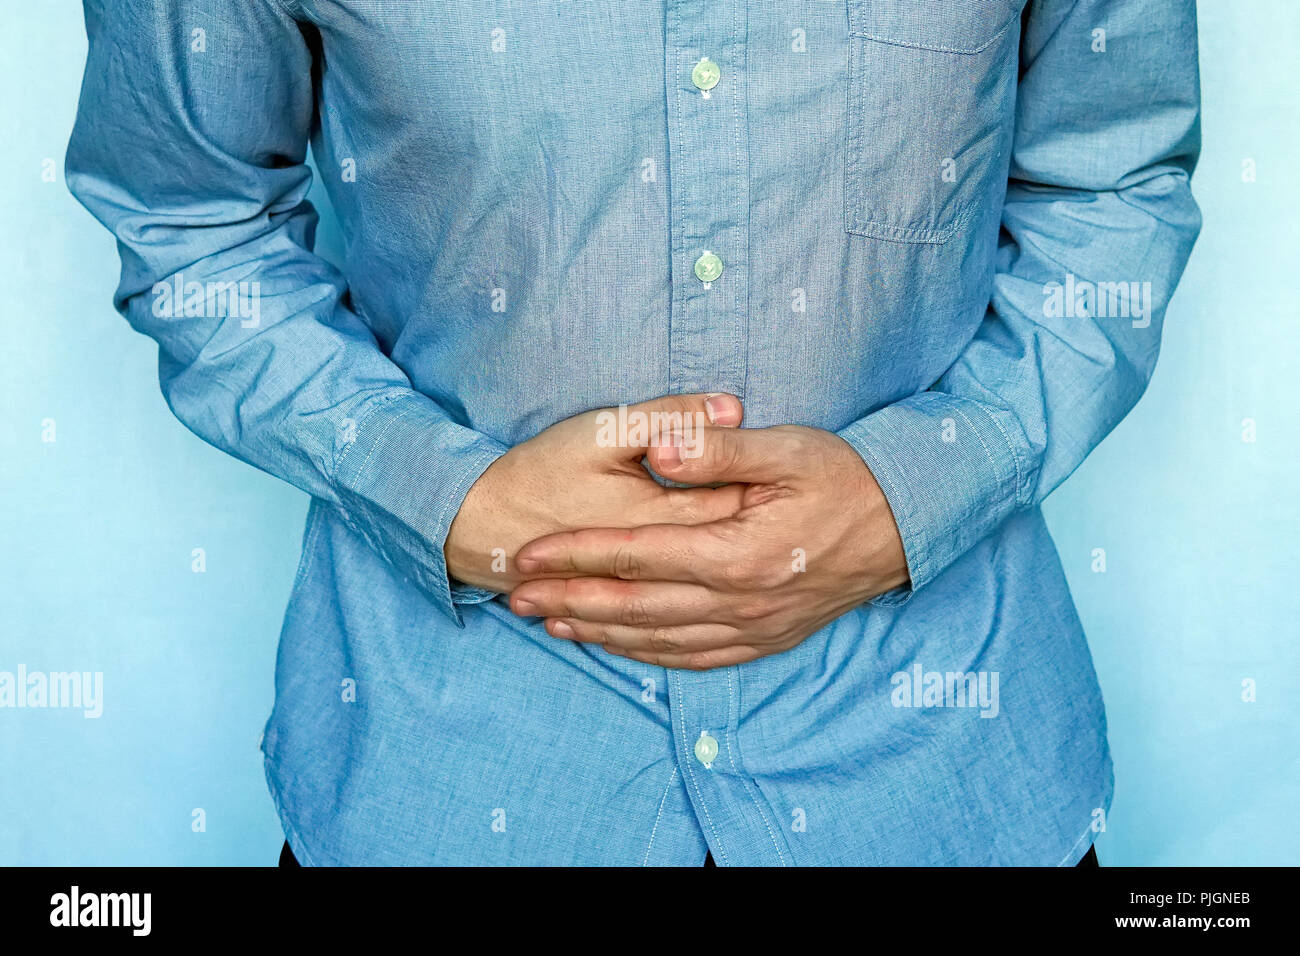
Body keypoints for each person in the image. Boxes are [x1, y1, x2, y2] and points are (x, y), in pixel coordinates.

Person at [67, 0, 1200, 865]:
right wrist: (434, 490)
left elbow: (1112, 186)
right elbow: (189, 218)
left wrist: (916, 490)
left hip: (937, 772)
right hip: (449, 774)